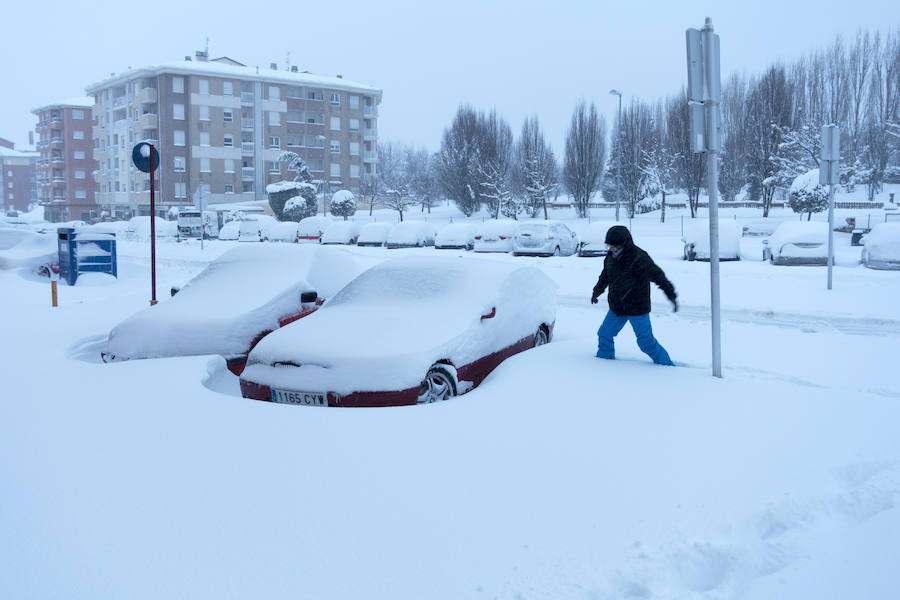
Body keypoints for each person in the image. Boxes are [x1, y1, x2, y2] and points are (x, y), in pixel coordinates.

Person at [591, 225, 678, 366]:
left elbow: (659, 277)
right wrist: (596, 292)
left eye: (615, 246)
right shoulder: (610, 258)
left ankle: (667, 366)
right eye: (610, 245)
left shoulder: (639, 258)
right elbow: (605, 277)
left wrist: (671, 295)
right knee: (604, 334)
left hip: (637, 308)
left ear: (624, 243)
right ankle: (604, 364)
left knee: (645, 342)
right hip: (618, 307)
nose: (612, 248)